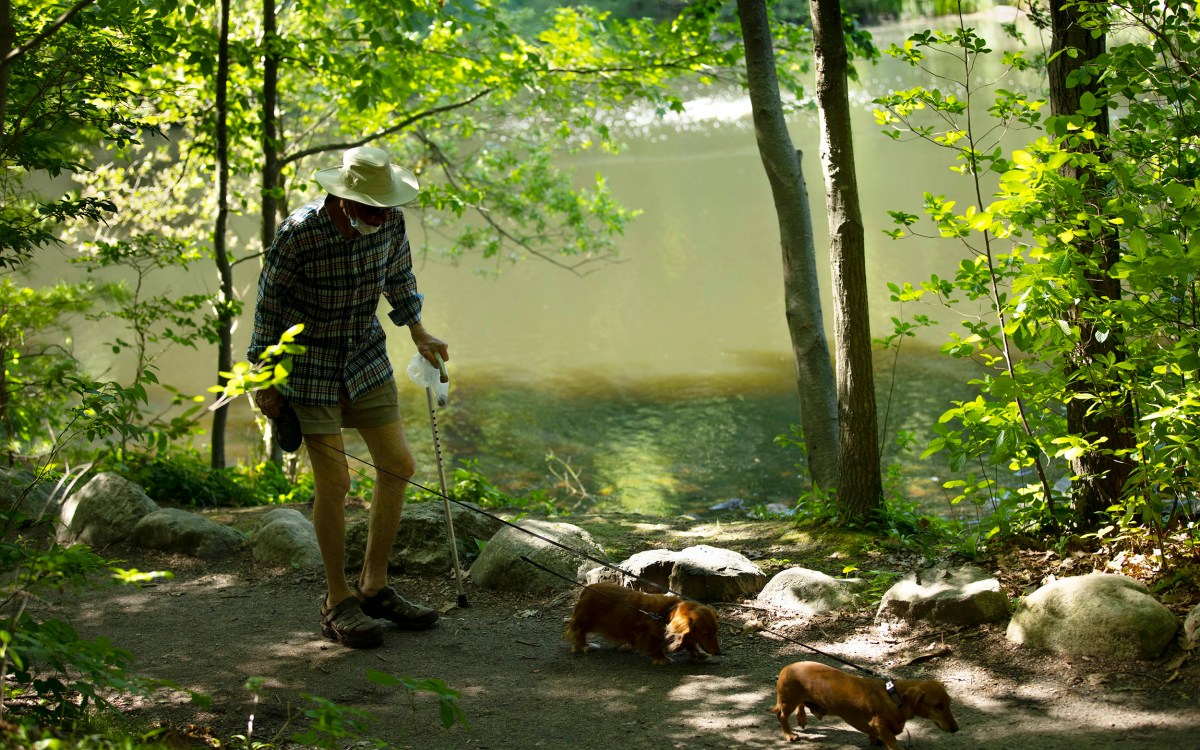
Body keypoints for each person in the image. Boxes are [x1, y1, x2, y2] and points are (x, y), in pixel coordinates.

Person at [247, 145, 447, 649]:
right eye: (370, 208)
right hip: (308, 365)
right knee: (334, 482)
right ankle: (337, 599)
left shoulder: (391, 223)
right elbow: (269, 308)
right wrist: (267, 379)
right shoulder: (299, 233)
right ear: (343, 199)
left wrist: (419, 332)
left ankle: (374, 586)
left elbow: (400, 280)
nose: (380, 215)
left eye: (385, 207)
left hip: (363, 356)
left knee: (398, 464)